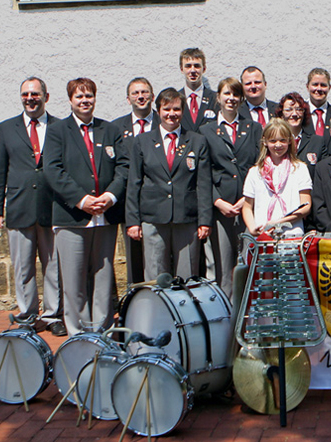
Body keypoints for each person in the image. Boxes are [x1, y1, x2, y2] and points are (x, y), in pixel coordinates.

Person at [44, 78, 128, 336]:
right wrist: (82, 200)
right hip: (72, 217)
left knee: (103, 275)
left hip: (105, 216)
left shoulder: (110, 130)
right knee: (74, 278)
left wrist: (110, 197)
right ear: (70, 100)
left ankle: (102, 330)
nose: (85, 101)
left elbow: (123, 167)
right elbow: (53, 170)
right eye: (79, 97)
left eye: (89, 96)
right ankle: (79, 334)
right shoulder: (58, 131)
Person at [0, 77, 65, 336]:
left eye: (35, 93)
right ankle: (28, 314)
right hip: (20, 206)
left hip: (52, 206)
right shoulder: (6, 128)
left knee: (53, 264)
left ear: (46, 96)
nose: (30, 98)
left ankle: (53, 314)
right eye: (25, 94)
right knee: (23, 266)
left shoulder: (60, 127)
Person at [125, 88, 212, 281]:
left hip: (187, 219)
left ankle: (185, 311)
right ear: (158, 111)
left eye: (176, 109)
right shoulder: (143, 141)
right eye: (166, 109)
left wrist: (204, 220)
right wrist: (133, 221)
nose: (171, 114)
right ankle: (157, 310)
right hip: (153, 218)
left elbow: (203, 183)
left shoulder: (197, 141)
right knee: (156, 275)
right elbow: (134, 183)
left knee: (187, 275)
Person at [200, 77, 263, 297]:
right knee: (222, 268)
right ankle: (225, 319)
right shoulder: (206, 131)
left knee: (248, 265)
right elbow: (203, 172)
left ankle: (248, 317)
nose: (231, 99)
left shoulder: (253, 128)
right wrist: (217, 201)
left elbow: (258, 166)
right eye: (227, 94)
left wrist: (247, 200)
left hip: (249, 207)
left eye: (236, 94)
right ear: (218, 97)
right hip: (221, 209)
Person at [111, 77, 159, 284]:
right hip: (129, 202)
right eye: (135, 93)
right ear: (128, 98)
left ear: (152, 96)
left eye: (145, 92)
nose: (141, 97)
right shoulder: (116, 128)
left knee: (159, 258)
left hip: (159, 202)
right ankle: (134, 303)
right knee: (134, 258)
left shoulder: (165, 122)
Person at [241, 119, 312, 237]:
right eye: (273, 141)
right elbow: (247, 207)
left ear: (289, 141)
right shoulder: (255, 172)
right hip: (264, 235)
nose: (278, 145)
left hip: (292, 233)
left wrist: (278, 223)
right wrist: (252, 228)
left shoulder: (300, 169)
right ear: (265, 142)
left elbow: (306, 206)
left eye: (282, 140)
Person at [275, 92, 326, 176]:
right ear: (281, 115)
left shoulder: (317, 142)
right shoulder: (275, 143)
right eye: (289, 110)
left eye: (299, 109)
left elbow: (323, 175)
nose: (294, 114)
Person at [179, 47, 218, 132]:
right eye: (188, 66)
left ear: (204, 69)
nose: (192, 70)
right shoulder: (176, 99)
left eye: (197, 66)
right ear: (182, 69)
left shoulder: (216, 99)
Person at [306, 68, 331, 141]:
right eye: (315, 84)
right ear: (307, 86)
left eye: (323, 85)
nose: (319, 89)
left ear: (329, 88)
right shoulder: (299, 114)